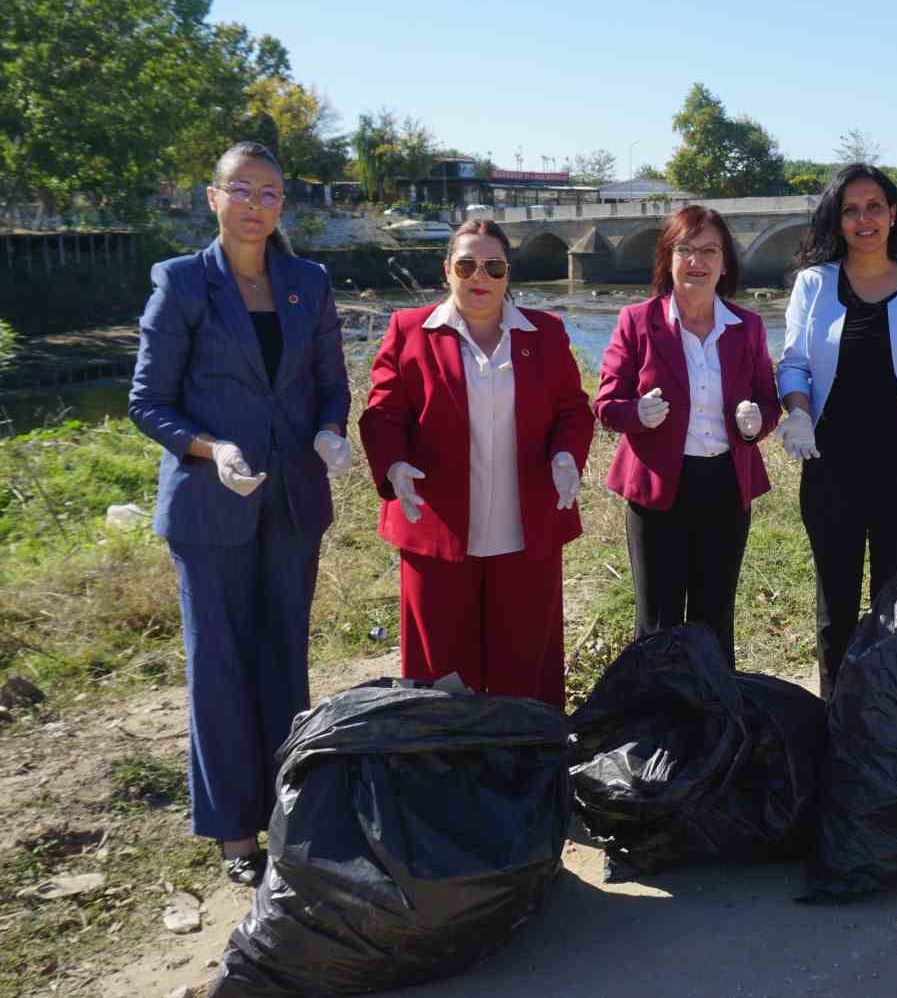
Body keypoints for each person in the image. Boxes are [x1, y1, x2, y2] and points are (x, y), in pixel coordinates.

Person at [129, 141, 352, 886]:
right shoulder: (182, 282)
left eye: (271, 193)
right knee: (219, 665)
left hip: (292, 499)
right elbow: (146, 401)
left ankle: (291, 812)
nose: (257, 205)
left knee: (284, 654)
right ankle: (233, 833)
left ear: (282, 205)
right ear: (212, 198)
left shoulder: (307, 281)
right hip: (208, 507)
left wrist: (329, 430)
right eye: (242, 190)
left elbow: (331, 384)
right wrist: (208, 446)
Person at [359, 219, 593, 708]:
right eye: (466, 264)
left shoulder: (545, 333)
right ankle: (445, 769)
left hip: (525, 526)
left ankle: (524, 765)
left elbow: (572, 409)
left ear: (508, 274)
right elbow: (383, 415)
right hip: (436, 526)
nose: (478, 276)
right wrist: (395, 466)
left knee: (525, 667)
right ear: (448, 270)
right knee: (441, 672)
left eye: (493, 266)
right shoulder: (409, 330)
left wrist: (567, 456)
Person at [777, 163, 897, 699]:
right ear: (837, 221)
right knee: (834, 605)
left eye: (874, 207)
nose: (864, 219)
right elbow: (793, 365)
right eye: (851, 210)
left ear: (893, 213)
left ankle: (891, 720)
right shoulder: (814, 284)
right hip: (830, 464)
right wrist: (797, 413)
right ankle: (836, 722)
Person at [594, 206, 781, 662]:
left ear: (725, 262)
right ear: (668, 258)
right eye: (685, 250)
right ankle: (658, 722)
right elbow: (606, 405)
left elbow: (768, 401)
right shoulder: (637, 321)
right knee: (657, 621)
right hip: (657, 489)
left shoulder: (747, 326)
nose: (696, 261)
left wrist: (757, 422)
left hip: (724, 485)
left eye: (709, 251)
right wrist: (636, 412)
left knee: (714, 616)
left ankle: (715, 720)